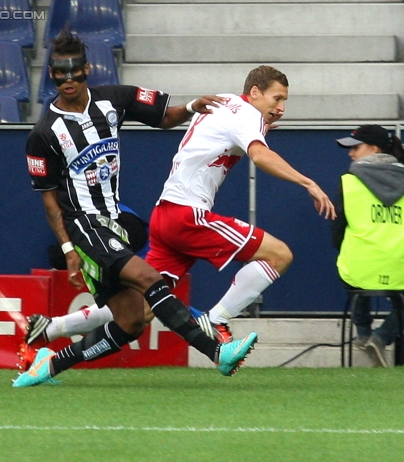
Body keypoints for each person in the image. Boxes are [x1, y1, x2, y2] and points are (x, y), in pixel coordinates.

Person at [22, 64, 335, 352]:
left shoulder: (226, 103)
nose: (280, 108)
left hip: (166, 214)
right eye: (276, 99)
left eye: (284, 102)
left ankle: (51, 328)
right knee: (279, 255)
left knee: (141, 306)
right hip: (188, 215)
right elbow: (261, 156)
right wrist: (307, 182)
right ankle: (215, 322)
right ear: (255, 92)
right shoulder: (247, 115)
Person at [13, 29, 257, 387]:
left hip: (112, 225)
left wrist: (191, 108)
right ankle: (216, 352)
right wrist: (68, 248)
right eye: (59, 72)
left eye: (74, 70)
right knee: (149, 279)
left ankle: (50, 364)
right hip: (84, 226)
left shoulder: (113, 100)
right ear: (50, 73)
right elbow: (49, 199)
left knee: (131, 322)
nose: (67, 79)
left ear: (86, 69)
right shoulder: (44, 133)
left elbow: (164, 117)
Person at [331, 125, 404, 367]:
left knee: (356, 279)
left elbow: (337, 230)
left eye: (355, 148)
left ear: (373, 149)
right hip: (401, 264)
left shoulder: (349, 182)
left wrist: (345, 250)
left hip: (359, 266)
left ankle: (363, 334)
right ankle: (380, 338)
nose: (350, 153)